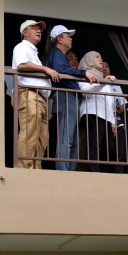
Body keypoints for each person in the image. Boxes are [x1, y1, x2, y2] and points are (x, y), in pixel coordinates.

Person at [46, 25, 99, 171]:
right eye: (67, 35)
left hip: (71, 98)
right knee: (66, 138)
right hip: (65, 97)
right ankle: (63, 172)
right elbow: (61, 70)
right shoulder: (56, 53)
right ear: (59, 39)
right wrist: (84, 73)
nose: (71, 38)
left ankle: (70, 171)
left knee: (75, 141)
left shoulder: (59, 55)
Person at [12, 19, 58, 169]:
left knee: (42, 138)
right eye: (34, 28)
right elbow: (21, 64)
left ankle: (35, 170)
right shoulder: (22, 47)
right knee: (30, 132)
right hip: (28, 93)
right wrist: (45, 69)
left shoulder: (33, 51)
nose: (39, 30)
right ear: (24, 32)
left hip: (40, 97)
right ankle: (24, 169)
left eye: (40, 29)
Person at [76, 51, 119, 172]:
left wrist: (113, 120)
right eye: (97, 57)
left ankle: (104, 175)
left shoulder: (101, 77)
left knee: (109, 149)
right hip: (92, 113)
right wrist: (103, 81)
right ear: (89, 59)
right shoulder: (83, 74)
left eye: (101, 56)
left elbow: (109, 103)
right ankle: (93, 173)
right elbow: (85, 92)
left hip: (106, 117)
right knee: (94, 145)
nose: (100, 59)